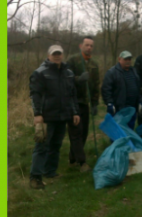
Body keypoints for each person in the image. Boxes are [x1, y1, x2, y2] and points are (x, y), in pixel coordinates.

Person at [29, 45, 80, 189]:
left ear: (62, 55)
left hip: (63, 116)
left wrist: (75, 112)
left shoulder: (68, 73)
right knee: (42, 146)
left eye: (59, 54)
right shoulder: (40, 73)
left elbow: (72, 95)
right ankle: (35, 177)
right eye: (54, 54)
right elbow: (35, 95)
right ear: (48, 55)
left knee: (56, 145)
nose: (57, 56)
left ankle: (50, 171)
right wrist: (37, 114)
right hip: (46, 116)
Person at [66, 36, 100, 173]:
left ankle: (72, 158)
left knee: (84, 133)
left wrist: (95, 103)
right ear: (81, 46)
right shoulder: (72, 61)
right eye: (87, 45)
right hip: (73, 102)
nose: (89, 48)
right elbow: (65, 79)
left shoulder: (94, 64)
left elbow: (96, 85)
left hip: (86, 103)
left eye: (91, 45)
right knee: (76, 132)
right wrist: (78, 79)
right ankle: (82, 162)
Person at [101, 51, 141, 129]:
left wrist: (140, 100)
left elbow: (138, 87)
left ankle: (128, 141)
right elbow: (106, 89)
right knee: (118, 130)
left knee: (130, 129)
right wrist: (109, 103)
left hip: (132, 108)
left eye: (129, 59)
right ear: (119, 59)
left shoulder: (134, 71)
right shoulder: (112, 72)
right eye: (125, 59)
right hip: (120, 108)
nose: (128, 61)